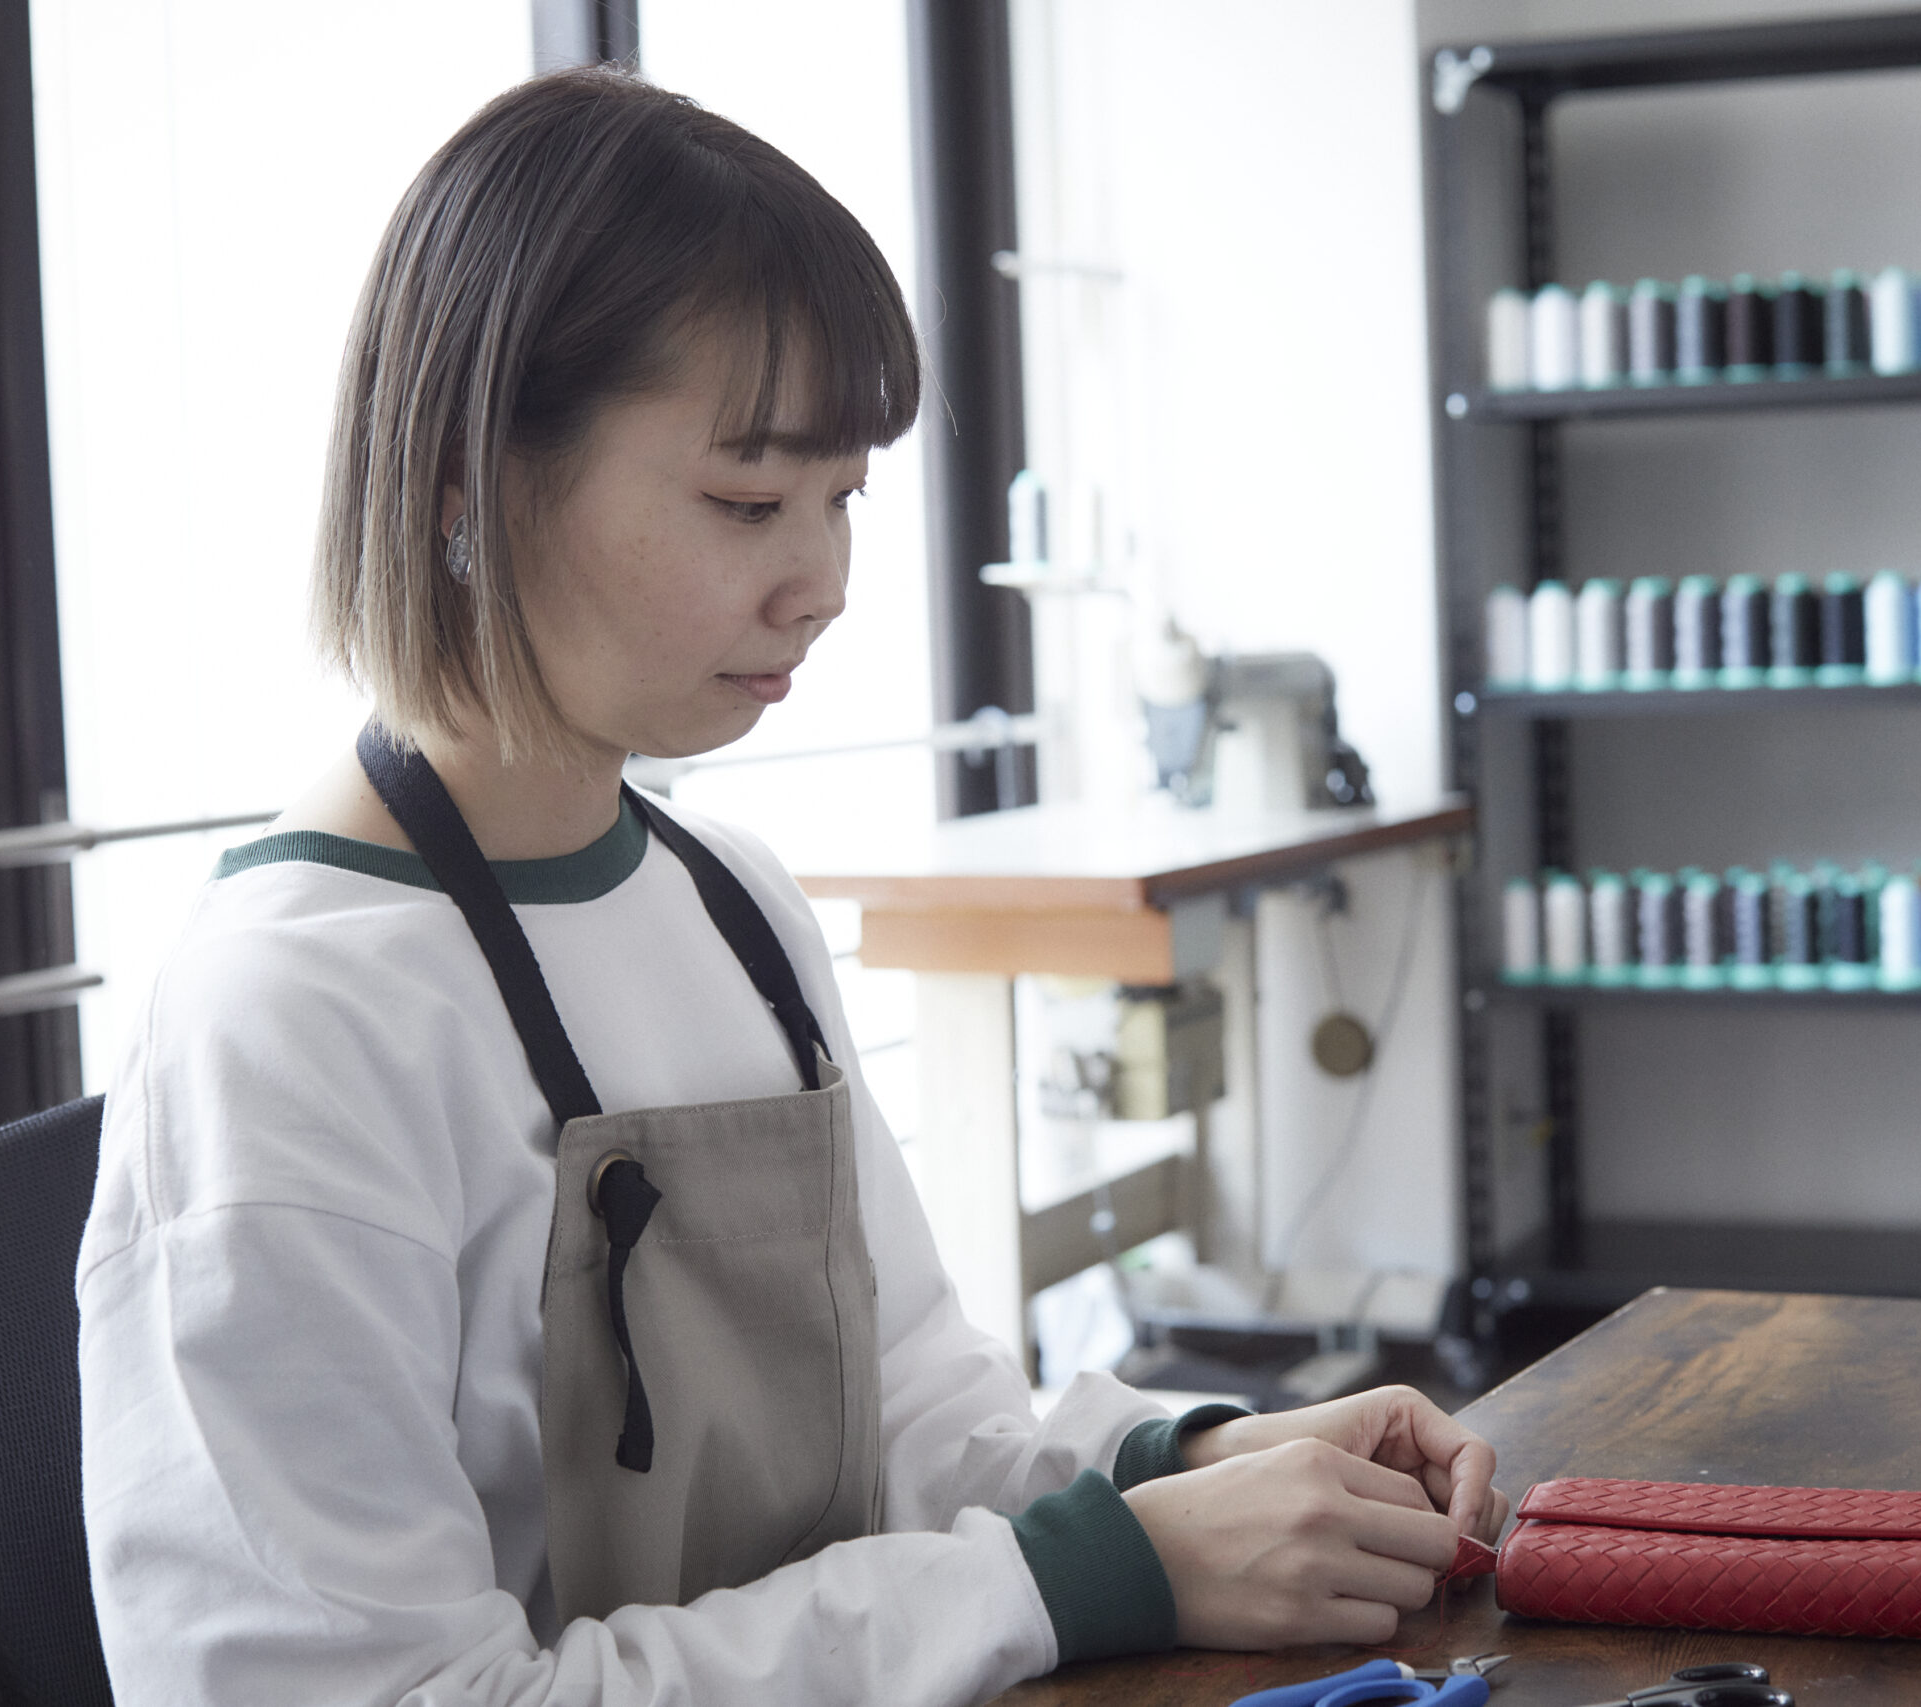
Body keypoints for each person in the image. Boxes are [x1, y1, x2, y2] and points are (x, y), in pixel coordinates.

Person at [75, 66, 1507, 1707]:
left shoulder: (734, 905)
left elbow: (905, 1413)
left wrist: (1191, 1461)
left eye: (842, 500)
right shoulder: (288, 1023)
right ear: (471, 488)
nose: (822, 584)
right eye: (747, 500)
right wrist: (1089, 1575)